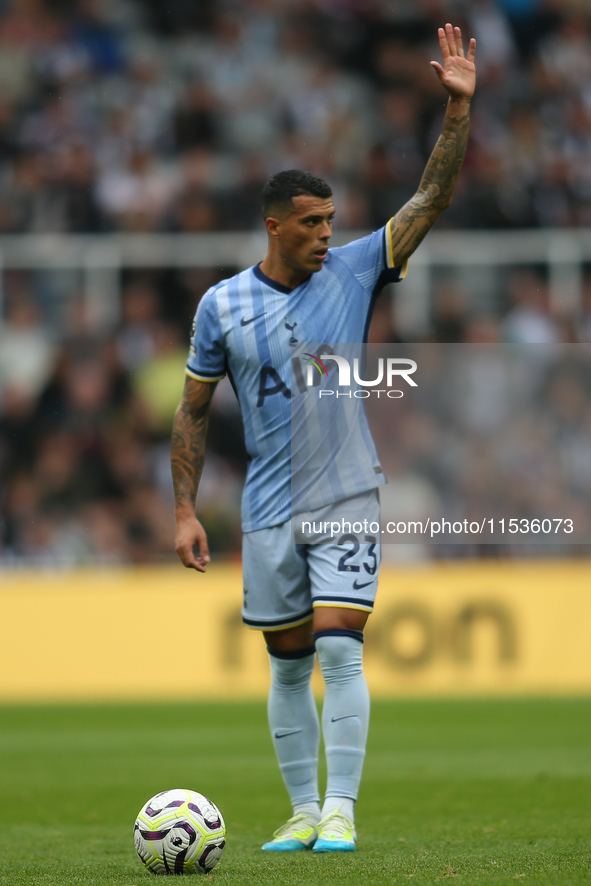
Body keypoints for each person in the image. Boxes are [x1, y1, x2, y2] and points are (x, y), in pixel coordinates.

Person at [172, 24, 476, 853]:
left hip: (345, 490)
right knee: (286, 665)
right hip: (267, 506)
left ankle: (340, 808)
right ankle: (302, 811)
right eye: (310, 223)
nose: (325, 234)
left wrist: (455, 112)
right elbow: (194, 410)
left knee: (341, 649)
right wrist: (185, 511)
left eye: (331, 220)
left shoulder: (352, 271)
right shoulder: (221, 307)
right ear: (274, 226)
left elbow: (429, 201)